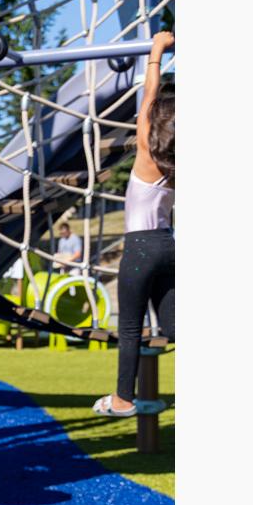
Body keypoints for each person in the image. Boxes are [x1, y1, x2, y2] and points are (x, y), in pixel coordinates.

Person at [95, 30, 174, 418]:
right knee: (174, 326)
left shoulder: (146, 152)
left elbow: (149, 97)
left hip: (141, 248)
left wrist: (156, 51)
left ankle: (123, 399)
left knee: (130, 327)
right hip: (169, 246)